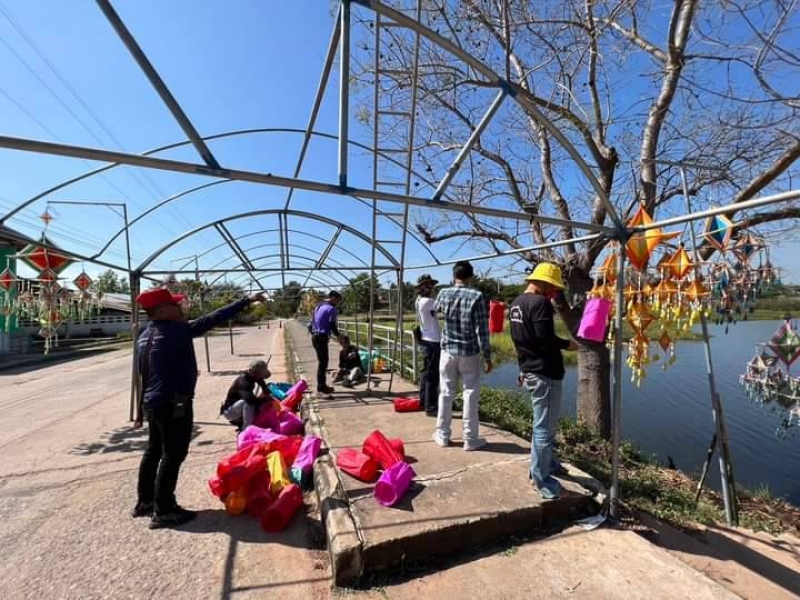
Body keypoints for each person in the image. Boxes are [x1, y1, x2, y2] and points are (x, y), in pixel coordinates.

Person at [132, 288, 266, 528]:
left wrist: (141, 409)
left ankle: (145, 501)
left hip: (153, 402)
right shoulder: (176, 330)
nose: (180, 308)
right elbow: (213, 318)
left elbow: (144, 372)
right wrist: (246, 300)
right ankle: (164, 509)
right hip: (173, 403)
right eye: (174, 305)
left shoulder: (145, 333)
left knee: (154, 450)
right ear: (161, 311)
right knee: (173, 454)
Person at [509, 263, 577, 499]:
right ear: (545, 283)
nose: (554, 293)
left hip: (531, 369)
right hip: (545, 372)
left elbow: (519, 340)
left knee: (542, 424)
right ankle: (541, 480)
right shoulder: (540, 304)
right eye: (553, 288)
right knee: (544, 429)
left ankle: (548, 463)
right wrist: (568, 344)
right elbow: (544, 338)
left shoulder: (516, 303)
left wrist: (523, 368)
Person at [433, 261, 492, 451]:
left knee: (445, 392)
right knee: (470, 394)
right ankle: (470, 439)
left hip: (447, 351)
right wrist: (488, 356)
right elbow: (483, 329)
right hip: (469, 351)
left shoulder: (443, 292)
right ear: (470, 277)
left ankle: (442, 435)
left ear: (454, 276)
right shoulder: (477, 296)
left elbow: (435, 313)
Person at [220, 359, 273, 431]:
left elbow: (265, 389)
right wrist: (264, 401)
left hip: (239, 409)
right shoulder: (243, 382)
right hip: (230, 412)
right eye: (260, 375)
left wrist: (266, 393)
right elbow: (250, 400)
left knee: (261, 402)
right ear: (254, 373)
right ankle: (246, 430)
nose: (261, 378)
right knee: (248, 403)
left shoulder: (254, 376)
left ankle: (246, 424)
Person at [415, 274, 441, 416]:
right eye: (426, 285)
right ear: (420, 287)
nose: (430, 288)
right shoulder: (428, 301)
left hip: (426, 339)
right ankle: (431, 406)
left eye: (431, 285)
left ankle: (423, 401)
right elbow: (444, 307)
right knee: (433, 374)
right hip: (433, 341)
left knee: (426, 372)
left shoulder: (418, 300)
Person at [310, 290, 342, 396]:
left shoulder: (318, 306)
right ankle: (321, 386)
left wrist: (316, 332)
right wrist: (338, 336)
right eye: (337, 300)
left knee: (322, 362)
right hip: (321, 337)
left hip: (315, 337)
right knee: (323, 363)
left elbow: (311, 324)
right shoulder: (332, 309)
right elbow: (332, 324)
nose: (338, 303)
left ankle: (322, 385)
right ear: (333, 297)